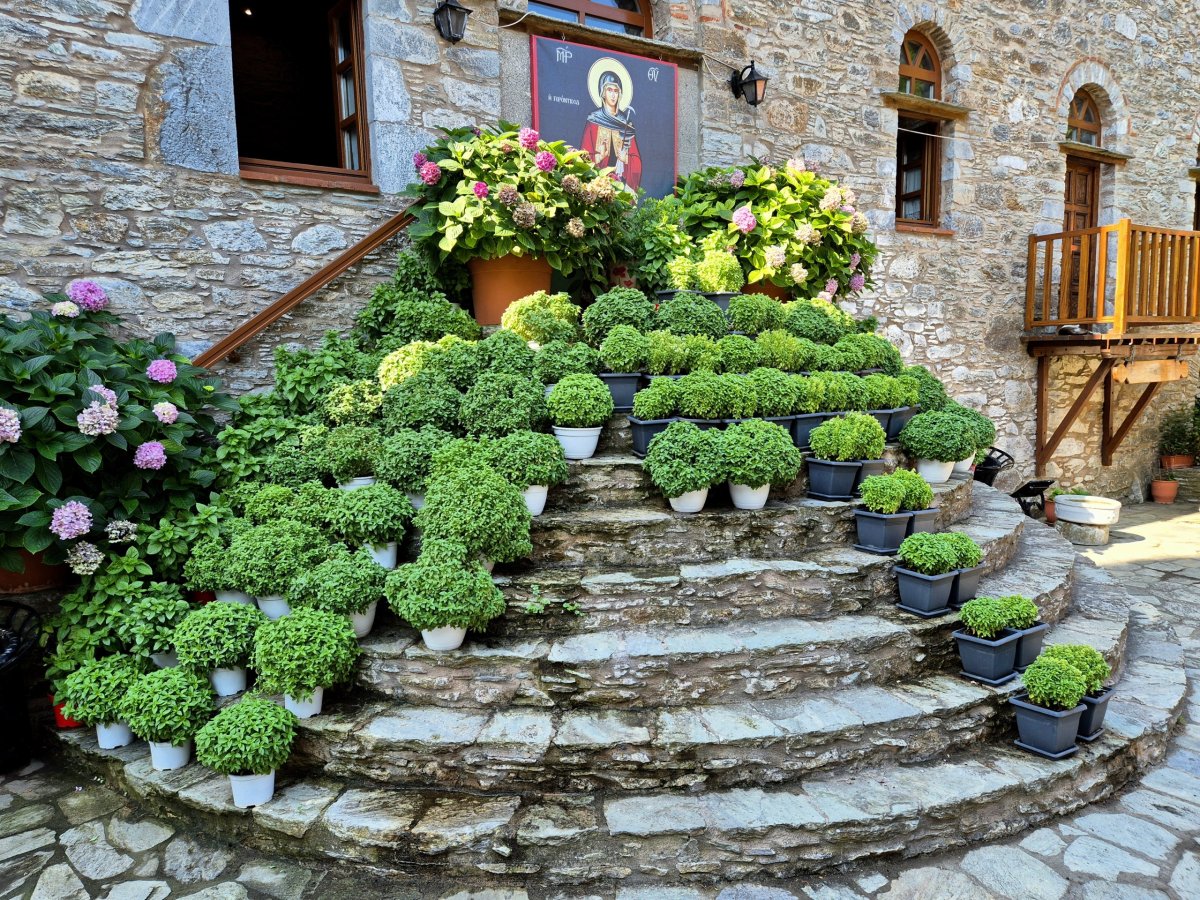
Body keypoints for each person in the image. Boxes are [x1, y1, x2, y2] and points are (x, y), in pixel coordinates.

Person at [581, 70, 641, 191]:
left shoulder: (625, 124)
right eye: (609, 90)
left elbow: (637, 162)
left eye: (616, 91)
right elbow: (582, 158)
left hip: (621, 186)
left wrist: (626, 159)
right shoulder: (594, 121)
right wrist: (599, 157)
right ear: (603, 93)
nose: (613, 95)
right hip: (598, 186)